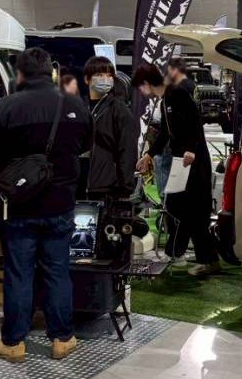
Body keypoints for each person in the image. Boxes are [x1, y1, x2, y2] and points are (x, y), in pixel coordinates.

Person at [0, 48, 91, 363]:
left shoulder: (5, 107)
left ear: (20, 74)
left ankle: (13, 343)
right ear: (51, 72)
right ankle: (62, 338)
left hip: (19, 205)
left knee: (19, 273)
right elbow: (86, 144)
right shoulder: (75, 105)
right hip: (61, 203)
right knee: (57, 270)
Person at [133, 63, 219, 276]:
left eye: (141, 86)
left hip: (194, 162)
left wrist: (191, 149)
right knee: (177, 206)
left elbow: (195, 123)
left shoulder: (177, 94)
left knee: (192, 211)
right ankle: (179, 252)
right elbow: (164, 132)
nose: (142, 92)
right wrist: (149, 154)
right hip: (181, 162)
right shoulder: (165, 100)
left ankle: (203, 258)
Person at [83, 55, 135, 199]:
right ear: (87, 79)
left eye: (109, 75)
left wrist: (126, 186)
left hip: (109, 186)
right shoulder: (81, 108)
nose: (105, 79)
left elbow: (127, 149)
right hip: (81, 183)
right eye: (100, 75)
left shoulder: (119, 110)